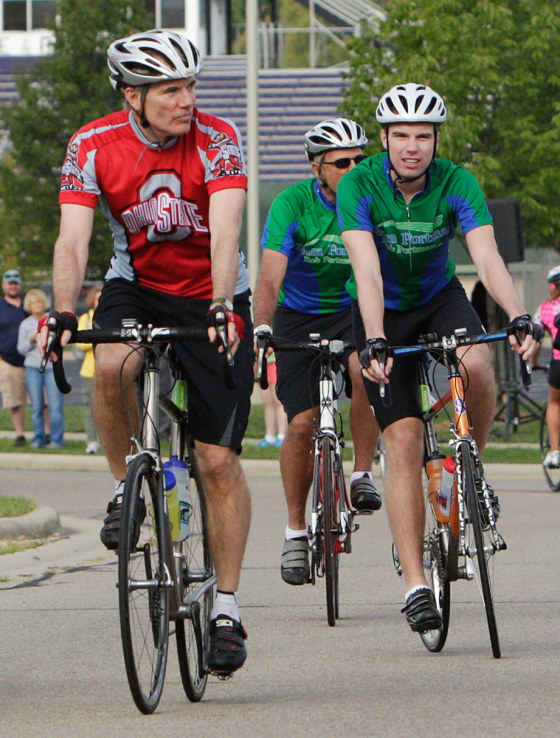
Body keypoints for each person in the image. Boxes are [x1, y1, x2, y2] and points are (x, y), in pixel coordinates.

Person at [39, 30, 253, 676]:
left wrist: (221, 305)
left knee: (217, 462)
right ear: (131, 94)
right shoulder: (91, 146)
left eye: (191, 87)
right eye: (170, 90)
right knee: (111, 363)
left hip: (213, 293)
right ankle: (124, 489)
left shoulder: (217, 140)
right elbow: (73, 241)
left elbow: (226, 228)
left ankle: (228, 611)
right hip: (137, 286)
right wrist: (63, 309)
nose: (186, 100)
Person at [336, 83, 541, 633]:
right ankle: (415, 584)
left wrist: (520, 314)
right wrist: (375, 337)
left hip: (438, 299)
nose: (412, 146)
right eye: (400, 135)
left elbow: (486, 255)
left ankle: (473, 469)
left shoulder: (457, 182)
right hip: (383, 309)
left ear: (435, 140)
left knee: (476, 366)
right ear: (383, 139)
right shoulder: (358, 184)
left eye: (422, 136)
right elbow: (365, 269)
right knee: (402, 439)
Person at [253, 117, 381, 587]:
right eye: (341, 162)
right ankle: (294, 530)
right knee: (302, 423)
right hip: (299, 315)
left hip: (354, 306)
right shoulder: (293, 203)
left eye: (360, 160)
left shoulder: (371, 200)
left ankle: (362, 473)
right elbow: (269, 275)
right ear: (317, 168)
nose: (353, 169)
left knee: (366, 372)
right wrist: (263, 326)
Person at [17, 289, 65, 448]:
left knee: (55, 405)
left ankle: (57, 440)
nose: (37, 305)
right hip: (32, 367)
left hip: (52, 367)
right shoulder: (26, 324)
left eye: (40, 302)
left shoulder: (51, 321)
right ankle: (38, 438)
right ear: (29, 306)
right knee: (36, 406)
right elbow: (21, 349)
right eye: (34, 303)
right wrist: (32, 339)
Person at [533, 266, 560, 468]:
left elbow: (536, 340)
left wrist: (534, 363)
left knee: (555, 403)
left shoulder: (545, 308)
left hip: (558, 363)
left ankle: (555, 451)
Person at [0, 269, 28, 446]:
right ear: (4, 285)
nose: (12, 285)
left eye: (15, 282)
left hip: (33, 361)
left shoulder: (30, 305)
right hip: (8, 360)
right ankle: (20, 434)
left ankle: (47, 434)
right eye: (9, 283)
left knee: (44, 400)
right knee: (15, 400)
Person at [76, 286, 102, 454]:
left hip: (108, 370)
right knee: (90, 408)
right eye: (98, 298)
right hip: (90, 370)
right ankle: (91, 441)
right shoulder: (86, 318)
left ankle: (106, 441)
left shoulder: (110, 317)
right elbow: (81, 342)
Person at [257, 354, 287, 448]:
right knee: (267, 400)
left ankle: (282, 434)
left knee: (278, 399)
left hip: (276, 360)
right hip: (263, 361)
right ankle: (270, 435)